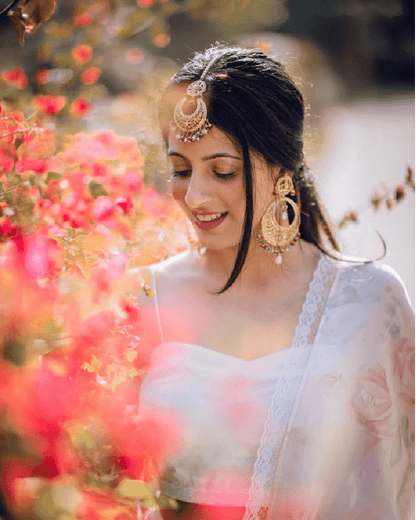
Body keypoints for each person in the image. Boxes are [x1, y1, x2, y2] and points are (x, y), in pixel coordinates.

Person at [136, 45, 414, 520]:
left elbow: (397, 488)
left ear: (283, 170)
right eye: (181, 170)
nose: (196, 195)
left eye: (222, 170)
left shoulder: (369, 303)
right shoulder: (143, 300)